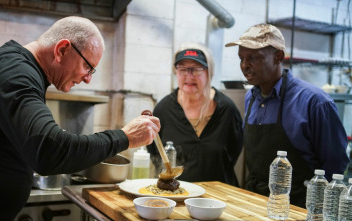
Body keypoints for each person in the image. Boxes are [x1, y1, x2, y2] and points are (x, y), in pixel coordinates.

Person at [0, 16, 160, 221]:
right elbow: (47, 150)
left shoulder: (19, 69)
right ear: (62, 49)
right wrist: (125, 137)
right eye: (87, 67)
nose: (88, 79)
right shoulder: (13, 73)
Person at [225, 23, 350, 207]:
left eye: (254, 58)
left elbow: (335, 166)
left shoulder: (315, 102)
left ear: (278, 57)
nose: (245, 66)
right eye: (241, 58)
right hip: (256, 203)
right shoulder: (251, 97)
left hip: (298, 207)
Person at [147, 42, 244, 186]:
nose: (189, 75)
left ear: (209, 71)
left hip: (220, 197)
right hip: (176, 196)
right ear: (176, 71)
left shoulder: (227, 110)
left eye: (197, 69)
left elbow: (233, 153)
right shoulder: (164, 110)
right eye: (183, 69)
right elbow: (156, 153)